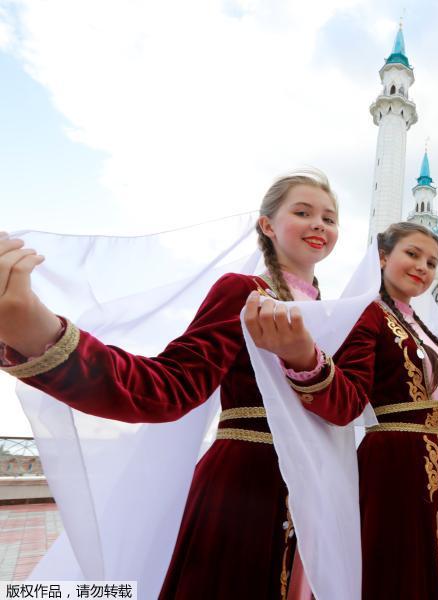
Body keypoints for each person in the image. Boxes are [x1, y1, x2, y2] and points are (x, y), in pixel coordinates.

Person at [0, 169, 340, 599]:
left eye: (329, 218)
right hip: (247, 488)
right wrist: (39, 333)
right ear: (267, 225)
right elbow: (168, 386)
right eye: (303, 212)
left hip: (313, 489)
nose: (319, 225)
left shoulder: (331, 310)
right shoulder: (244, 292)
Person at [249, 221, 438, 599]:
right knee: (395, 563)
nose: (423, 267)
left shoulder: (419, 324)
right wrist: (306, 364)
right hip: (393, 461)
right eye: (412, 254)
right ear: (383, 257)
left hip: (435, 460)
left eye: (432, 262)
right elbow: (349, 395)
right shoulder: (367, 314)